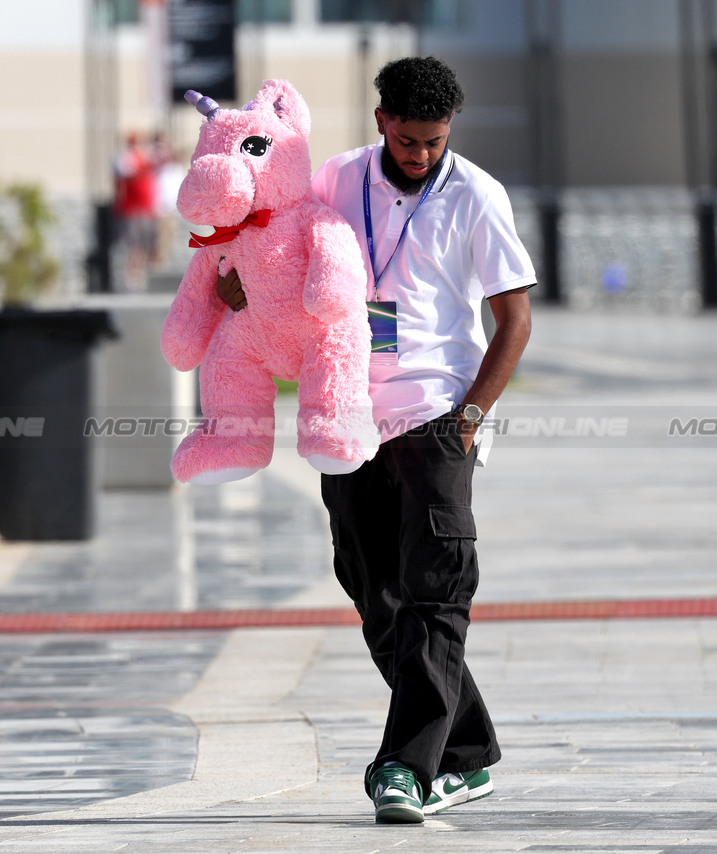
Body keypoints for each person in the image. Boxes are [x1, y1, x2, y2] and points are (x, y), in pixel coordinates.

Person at [217, 57, 534, 824]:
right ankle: (465, 753)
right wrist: (239, 284)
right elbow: (279, 245)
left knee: (437, 584)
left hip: (435, 412)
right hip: (346, 411)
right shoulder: (335, 179)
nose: (421, 153)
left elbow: (514, 321)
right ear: (381, 119)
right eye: (408, 138)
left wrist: (470, 418)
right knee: (373, 589)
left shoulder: (475, 196)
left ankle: (405, 766)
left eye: (434, 140)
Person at [113, 132, 160, 284]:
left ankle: (141, 272)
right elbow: (128, 173)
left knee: (145, 242)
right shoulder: (124, 157)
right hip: (131, 208)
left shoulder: (144, 156)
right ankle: (131, 275)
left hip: (146, 207)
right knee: (133, 243)